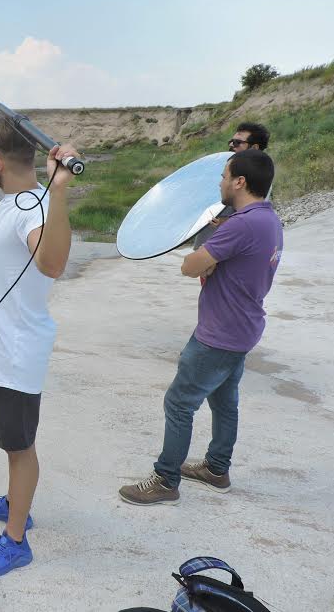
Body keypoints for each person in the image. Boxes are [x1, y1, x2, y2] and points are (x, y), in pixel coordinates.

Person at [120, 149, 283, 505]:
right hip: (244, 327)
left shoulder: (241, 225)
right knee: (225, 401)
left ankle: (165, 480)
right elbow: (236, 260)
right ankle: (216, 468)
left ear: (240, 182)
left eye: (225, 176)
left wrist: (207, 252)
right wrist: (218, 250)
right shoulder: (268, 220)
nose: (220, 182)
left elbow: (190, 266)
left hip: (219, 333)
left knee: (179, 402)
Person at [0, 87, 78, 577]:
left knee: (20, 447)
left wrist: (59, 192)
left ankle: (16, 537)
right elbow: (0, 149)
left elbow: (53, 263)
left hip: (14, 353)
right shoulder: (17, 193)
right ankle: (17, 499)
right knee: (10, 440)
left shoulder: (33, 208)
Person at [194, 122, 270, 249]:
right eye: (231, 141)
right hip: (206, 243)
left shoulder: (259, 174)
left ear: (254, 148)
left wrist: (222, 222)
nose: (231, 145)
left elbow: (255, 216)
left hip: (225, 247)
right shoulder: (226, 166)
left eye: (237, 142)